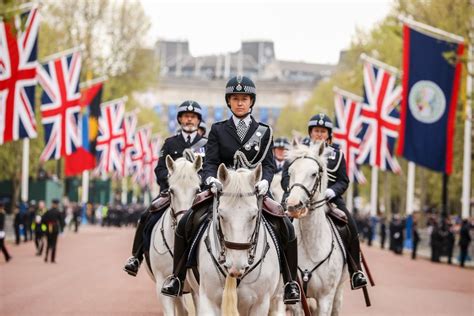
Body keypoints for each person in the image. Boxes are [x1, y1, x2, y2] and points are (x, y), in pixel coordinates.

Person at [161, 75, 301, 304]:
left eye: (244, 98)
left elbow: (267, 164)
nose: (239, 103)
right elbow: (210, 163)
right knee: (187, 221)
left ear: (251, 101)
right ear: (229, 102)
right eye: (235, 98)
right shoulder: (218, 129)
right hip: (223, 190)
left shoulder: (264, 131)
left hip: (253, 190)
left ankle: (290, 283)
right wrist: (210, 180)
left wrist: (266, 179)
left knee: (285, 226)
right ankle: (176, 277)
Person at [281, 113, 368, 290]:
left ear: (329, 134)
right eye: (316, 131)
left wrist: (331, 191)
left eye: (323, 131)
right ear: (310, 132)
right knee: (282, 224)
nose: (319, 134)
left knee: (350, 224)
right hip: (299, 197)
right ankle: (279, 265)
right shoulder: (299, 151)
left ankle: (355, 270)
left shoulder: (337, 155)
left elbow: (343, 180)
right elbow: (285, 177)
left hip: (329, 200)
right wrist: (293, 191)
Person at [123, 100, 207, 276]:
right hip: (173, 192)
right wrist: (172, 181)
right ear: (180, 120)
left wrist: (198, 182)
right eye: (186, 117)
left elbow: (211, 168)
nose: (189, 120)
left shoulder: (207, 144)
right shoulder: (170, 143)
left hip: (198, 194)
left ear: (198, 120)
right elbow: (160, 168)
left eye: (193, 117)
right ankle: (136, 257)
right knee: (147, 215)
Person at [42, 199, 63, 263]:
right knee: (54, 244)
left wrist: (45, 226)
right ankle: (52, 258)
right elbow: (61, 221)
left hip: (48, 228)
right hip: (55, 229)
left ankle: (46, 257)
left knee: (48, 243)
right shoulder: (58, 212)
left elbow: (43, 220)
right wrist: (61, 229)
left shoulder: (48, 211)